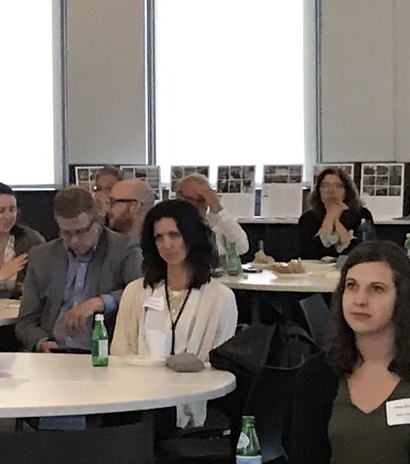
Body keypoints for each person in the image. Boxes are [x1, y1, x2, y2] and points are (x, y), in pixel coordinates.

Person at [290, 241, 410, 464]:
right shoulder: (317, 373)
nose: (360, 300)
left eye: (376, 289)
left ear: (401, 298)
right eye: (351, 286)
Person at [113, 199, 237, 427]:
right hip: (139, 402)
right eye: (159, 237)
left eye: (174, 235)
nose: (166, 245)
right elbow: (120, 353)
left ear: (191, 237)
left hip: (195, 404)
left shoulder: (220, 298)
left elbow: (219, 367)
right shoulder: (135, 292)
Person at [15, 186, 142, 352]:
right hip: (54, 350)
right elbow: (25, 322)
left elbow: (140, 294)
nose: (74, 240)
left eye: (81, 232)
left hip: (101, 353)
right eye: (66, 233)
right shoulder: (41, 256)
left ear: (97, 222)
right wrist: (42, 342)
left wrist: (99, 302)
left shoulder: (124, 249)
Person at [297, 167, 373, 260]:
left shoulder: (362, 215)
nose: (331, 191)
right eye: (325, 186)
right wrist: (329, 217)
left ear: (346, 191)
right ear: (319, 190)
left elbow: (364, 252)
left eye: (338, 186)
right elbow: (308, 254)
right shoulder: (308, 218)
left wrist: (336, 221)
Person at [175, 172, 249, 258]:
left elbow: (242, 248)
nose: (196, 204)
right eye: (190, 199)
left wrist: (217, 208)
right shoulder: (169, 225)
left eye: (202, 199)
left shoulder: (217, 222)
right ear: (179, 197)